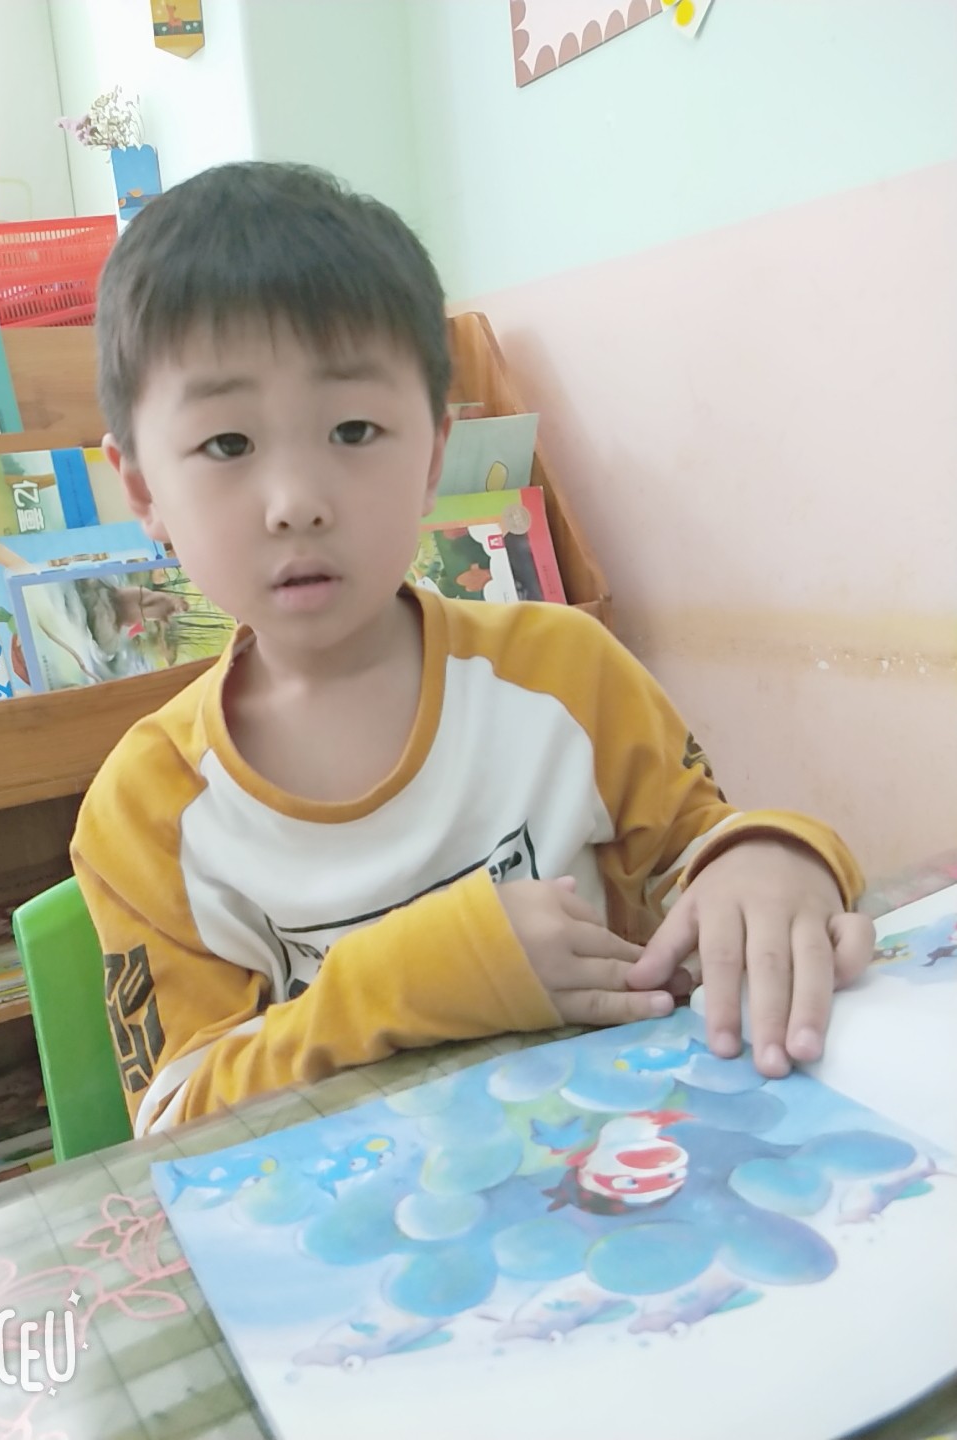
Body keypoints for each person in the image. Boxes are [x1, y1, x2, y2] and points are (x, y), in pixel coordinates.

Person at [71, 161, 873, 1138]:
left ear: (434, 455)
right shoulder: (146, 811)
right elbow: (176, 1124)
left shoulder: (565, 672)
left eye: (354, 428)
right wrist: (403, 980)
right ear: (142, 488)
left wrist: (773, 857)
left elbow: (698, 863)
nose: (297, 502)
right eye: (228, 445)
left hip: (620, 1166)